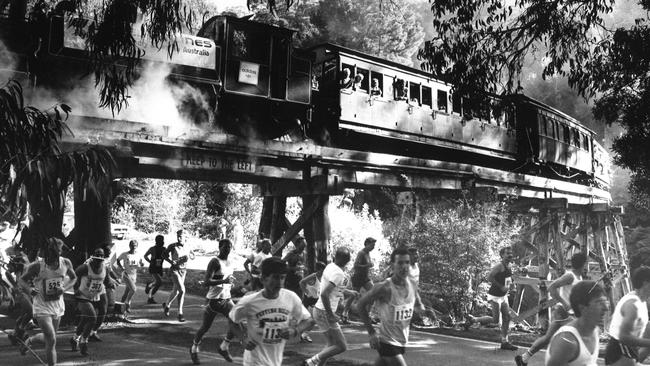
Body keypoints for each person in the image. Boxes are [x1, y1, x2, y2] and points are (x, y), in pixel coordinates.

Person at [229, 257, 315, 366]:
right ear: (263, 279)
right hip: (254, 362)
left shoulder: (291, 298)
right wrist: (243, 338)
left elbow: (309, 321)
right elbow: (232, 320)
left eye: (282, 278)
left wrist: (295, 330)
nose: (279, 282)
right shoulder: (249, 302)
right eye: (275, 278)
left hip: (275, 361)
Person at [357, 247, 433, 366]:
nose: (404, 266)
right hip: (386, 341)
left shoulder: (412, 283)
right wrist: (371, 333)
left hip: (401, 341)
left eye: (407, 262)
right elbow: (360, 305)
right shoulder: (384, 287)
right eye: (400, 263)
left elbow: (417, 303)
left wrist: (423, 310)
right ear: (393, 265)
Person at [516, 252, 587, 366]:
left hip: (568, 313)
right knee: (576, 338)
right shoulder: (570, 276)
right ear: (583, 264)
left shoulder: (579, 277)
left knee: (548, 338)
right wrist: (564, 303)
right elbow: (552, 287)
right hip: (563, 313)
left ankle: (524, 358)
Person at [18, 237, 77, 366]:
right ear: (46, 252)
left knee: (49, 337)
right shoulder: (38, 266)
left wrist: (64, 289)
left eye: (56, 253)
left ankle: (31, 340)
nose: (52, 256)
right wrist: (29, 290)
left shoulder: (66, 263)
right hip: (41, 305)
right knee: (51, 339)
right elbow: (22, 280)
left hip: (57, 305)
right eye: (49, 253)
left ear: (59, 252)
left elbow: (73, 278)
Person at [303, 247, 358, 366]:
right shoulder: (339, 274)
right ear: (348, 260)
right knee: (342, 346)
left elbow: (334, 290)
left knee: (331, 345)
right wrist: (330, 314)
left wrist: (350, 292)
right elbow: (324, 294)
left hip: (318, 310)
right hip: (324, 312)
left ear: (335, 256)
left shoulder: (330, 267)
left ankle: (316, 364)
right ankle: (310, 362)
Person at [190, 239, 238, 365]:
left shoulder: (231, 261)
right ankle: (194, 348)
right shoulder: (214, 262)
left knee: (236, 320)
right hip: (214, 301)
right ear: (219, 247)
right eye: (225, 247)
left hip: (226, 298)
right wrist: (224, 282)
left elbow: (227, 279)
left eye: (229, 247)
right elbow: (206, 282)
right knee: (205, 327)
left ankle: (224, 347)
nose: (227, 249)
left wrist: (230, 283)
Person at [545, 280, 609, 366]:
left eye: (605, 302)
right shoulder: (567, 342)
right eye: (599, 302)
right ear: (582, 308)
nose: (606, 308)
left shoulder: (594, 331)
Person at [467, 246, 518, 351]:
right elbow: (489, 277)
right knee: (495, 320)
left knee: (507, 318)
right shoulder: (499, 266)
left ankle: (505, 342)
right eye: (507, 253)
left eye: (510, 253)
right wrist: (501, 286)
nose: (510, 255)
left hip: (503, 296)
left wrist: (510, 287)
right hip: (495, 295)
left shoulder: (509, 265)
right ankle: (474, 320)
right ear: (502, 255)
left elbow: (508, 278)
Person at [604, 266, 650, 365]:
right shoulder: (632, 306)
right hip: (619, 353)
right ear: (646, 283)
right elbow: (624, 337)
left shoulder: (642, 300)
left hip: (629, 351)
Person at [70, 248, 111, 356]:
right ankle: (84, 342)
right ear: (92, 258)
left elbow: (106, 279)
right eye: (96, 260)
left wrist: (111, 282)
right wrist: (75, 290)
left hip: (95, 295)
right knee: (92, 318)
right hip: (82, 295)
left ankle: (75, 339)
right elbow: (73, 276)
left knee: (85, 319)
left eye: (100, 259)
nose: (98, 262)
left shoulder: (105, 267)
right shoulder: (85, 267)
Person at [343, 237, 376, 323]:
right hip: (358, 277)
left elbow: (367, 265)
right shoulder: (361, 253)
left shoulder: (368, 253)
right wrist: (367, 265)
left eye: (374, 245)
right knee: (353, 295)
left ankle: (367, 316)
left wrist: (369, 265)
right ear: (367, 244)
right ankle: (344, 313)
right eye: (372, 245)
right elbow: (355, 265)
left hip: (365, 278)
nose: (373, 247)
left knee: (374, 293)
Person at [163, 229, 190, 322]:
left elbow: (191, 255)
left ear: (186, 237)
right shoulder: (172, 246)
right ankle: (180, 313)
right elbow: (164, 255)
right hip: (174, 270)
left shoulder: (188, 246)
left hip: (183, 270)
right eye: (178, 236)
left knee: (176, 291)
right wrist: (171, 261)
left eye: (181, 236)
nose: (179, 238)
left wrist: (190, 256)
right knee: (182, 290)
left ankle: (167, 305)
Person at [6, 255, 32, 345]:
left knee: (23, 315)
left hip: (27, 292)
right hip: (22, 293)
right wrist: (15, 285)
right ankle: (21, 330)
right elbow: (7, 273)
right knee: (31, 312)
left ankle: (15, 334)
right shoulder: (22, 267)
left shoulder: (25, 267)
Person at [299, 261, 327, 343]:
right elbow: (301, 282)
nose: (323, 271)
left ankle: (303, 334)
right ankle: (303, 334)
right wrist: (307, 292)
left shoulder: (323, 278)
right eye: (322, 270)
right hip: (309, 300)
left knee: (313, 320)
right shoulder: (313, 276)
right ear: (318, 269)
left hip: (316, 301)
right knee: (312, 320)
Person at [117, 239, 143, 313]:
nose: (133, 247)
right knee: (134, 289)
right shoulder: (125, 254)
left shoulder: (138, 254)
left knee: (127, 292)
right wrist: (121, 268)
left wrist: (141, 264)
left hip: (134, 275)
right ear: (129, 246)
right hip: (126, 274)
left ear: (137, 246)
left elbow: (140, 262)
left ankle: (120, 307)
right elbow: (118, 260)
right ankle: (127, 303)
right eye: (132, 246)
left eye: (134, 246)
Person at [144, 234, 166, 304]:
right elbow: (145, 256)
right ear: (156, 241)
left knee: (158, 283)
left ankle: (149, 286)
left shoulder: (164, 249)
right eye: (160, 241)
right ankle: (150, 297)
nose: (162, 242)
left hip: (159, 267)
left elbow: (167, 256)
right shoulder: (152, 248)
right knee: (159, 282)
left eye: (162, 240)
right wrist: (150, 262)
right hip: (153, 267)